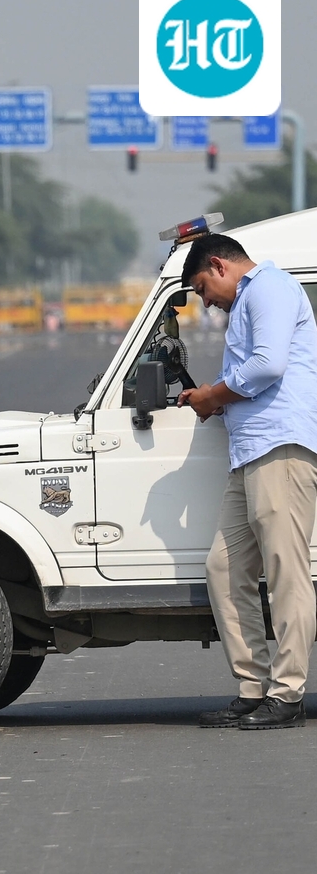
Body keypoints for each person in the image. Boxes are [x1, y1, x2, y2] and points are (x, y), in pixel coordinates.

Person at [179, 234, 317, 731]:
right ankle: (253, 686)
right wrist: (211, 395)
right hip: (250, 453)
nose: (206, 301)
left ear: (219, 265)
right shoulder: (247, 303)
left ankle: (288, 693)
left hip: (280, 447)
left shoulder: (270, 287)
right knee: (222, 567)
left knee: (286, 572)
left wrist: (213, 395)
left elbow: (269, 365)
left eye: (201, 287)